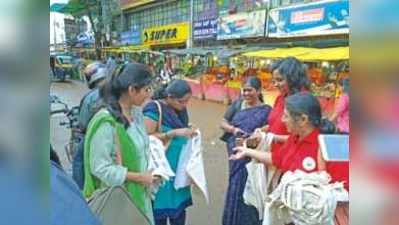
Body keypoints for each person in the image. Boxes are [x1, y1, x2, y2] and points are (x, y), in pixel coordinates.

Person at [230, 92, 348, 225]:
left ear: (303, 119)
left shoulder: (329, 147)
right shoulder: (295, 138)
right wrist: (247, 151)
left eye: (286, 116)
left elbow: (344, 194)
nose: (282, 120)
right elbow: (277, 159)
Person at [83, 63, 158, 225]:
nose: (150, 94)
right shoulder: (106, 123)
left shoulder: (137, 114)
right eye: (147, 89)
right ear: (132, 90)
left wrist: (151, 174)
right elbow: (100, 168)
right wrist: (139, 177)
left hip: (140, 196)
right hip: (120, 202)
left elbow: (142, 150)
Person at [143, 79, 197, 225]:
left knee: (179, 214)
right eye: (181, 101)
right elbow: (146, 137)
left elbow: (182, 127)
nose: (184, 105)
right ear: (170, 97)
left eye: (187, 101)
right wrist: (172, 133)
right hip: (162, 169)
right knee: (159, 213)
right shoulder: (154, 109)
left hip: (179, 169)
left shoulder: (180, 110)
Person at [219, 76, 272, 225]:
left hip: (254, 154)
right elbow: (223, 122)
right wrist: (234, 129)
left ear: (259, 91)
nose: (246, 93)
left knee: (251, 182)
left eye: (250, 90)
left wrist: (257, 132)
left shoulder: (267, 110)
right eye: (244, 90)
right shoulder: (237, 105)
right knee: (235, 181)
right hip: (235, 150)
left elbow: (271, 127)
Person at [72, 62, 108, 189]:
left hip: (94, 136)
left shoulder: (91, 96)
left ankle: (78, 191)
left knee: (78, 160)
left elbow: (83, 123)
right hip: (114, 134)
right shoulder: (116, 90)